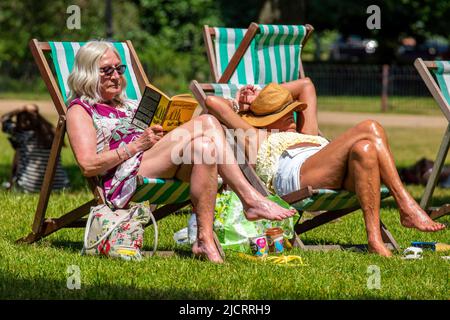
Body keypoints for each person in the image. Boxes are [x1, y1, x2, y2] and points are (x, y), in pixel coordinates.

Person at [65, 40, 295, 264]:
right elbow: (87, 165)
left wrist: (234, 105)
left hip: (155, 160)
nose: (116, 76)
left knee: (205, 147)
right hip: (123, 175)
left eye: (119, 68)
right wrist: (136, 146)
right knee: (206, 121)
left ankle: (204, 239)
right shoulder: (80, 110)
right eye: (106, 71)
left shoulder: (130, 104)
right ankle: (249, 197)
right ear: (88, 73)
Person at [205, 81, 446, 257]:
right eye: (284, 110)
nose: (292, 113)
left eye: (291, 108)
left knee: (364, 150)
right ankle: (406, 204)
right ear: (266, 117)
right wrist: (245, 103)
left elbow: (306, 85)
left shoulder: (307, 131)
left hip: (326, 167)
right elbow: (212, 102)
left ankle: (374, 239)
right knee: (370, 126)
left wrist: (263, 92)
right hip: (297, 174)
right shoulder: (255, 136)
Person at [1, 104, 70, 192]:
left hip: (30, 187)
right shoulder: (50, 132)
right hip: (61, 186)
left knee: (18, 150)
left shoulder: (22, 134)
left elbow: (4, 120)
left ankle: (11, 184)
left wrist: (21, 109)